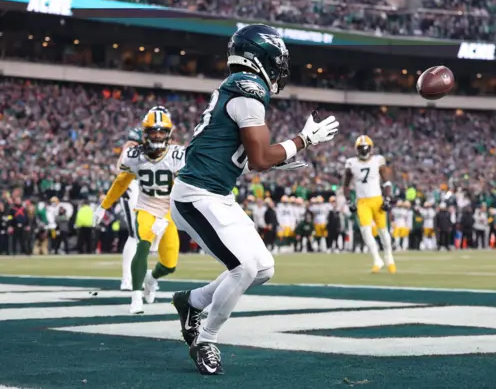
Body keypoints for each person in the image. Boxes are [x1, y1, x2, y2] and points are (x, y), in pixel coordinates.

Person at [168, 24, 339, 375]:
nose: (281, 67)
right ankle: (206, 339)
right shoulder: (249, 87)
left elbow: (245, 159)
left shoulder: (239, 88)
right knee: (242, 267)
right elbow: (260, 157)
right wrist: (302, 140)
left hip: (215, 194)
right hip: (196, 196)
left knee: (262, 269)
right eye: (278, 60)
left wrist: (284, 156)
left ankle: (193, 301)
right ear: (262, 57)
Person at [94, 108, 185, 314]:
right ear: (145, 133)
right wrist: (104, 206)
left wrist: (175, 214)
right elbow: (121, 182)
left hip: (168, 210)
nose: (158, 136)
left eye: (162, 132)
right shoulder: (134, 154)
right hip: (145, 206)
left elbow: (184, 188)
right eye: (154, 132)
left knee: (170, 265)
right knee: (142, 243)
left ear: (169, 133)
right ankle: (136, 297)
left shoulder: (178, 155)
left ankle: (151, 279)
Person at [342, 135, 396, 273]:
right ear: (357, 149)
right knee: (365, 231)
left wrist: (388, 197)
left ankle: (389, 257)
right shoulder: (351, 163)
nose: (364, 151)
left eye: (366, 148)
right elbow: (346, 185)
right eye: (361, 148)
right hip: (362, 201)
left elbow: (387, 181)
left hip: (377, 199)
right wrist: (349, 200)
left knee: (383, 230)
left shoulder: (378, 160)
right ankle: (377, 259)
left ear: (371, 149)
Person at [116, 127, 143, 290]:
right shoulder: (131, 149)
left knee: (144, 236)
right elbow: (120, 170)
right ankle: (127, 278)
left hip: (143, 191)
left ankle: (137, 275)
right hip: (132, 190)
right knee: (134, 235)